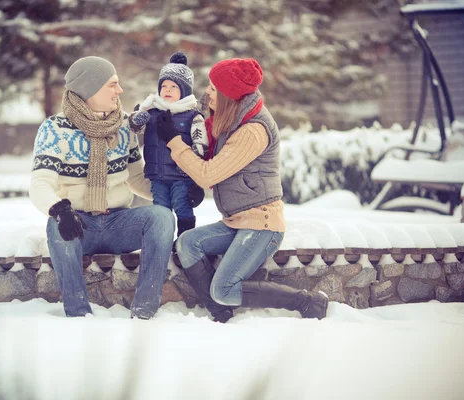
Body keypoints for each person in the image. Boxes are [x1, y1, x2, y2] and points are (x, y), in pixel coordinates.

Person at [155, 58, 329, 323]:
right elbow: (208, 151)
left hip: (262, 224)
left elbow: (209, 173)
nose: (207, 93)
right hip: (236, 221)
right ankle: (220, 311)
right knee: (187, 243)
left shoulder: (252, 130)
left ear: (228, 95)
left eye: (213, 89)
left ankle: (307, 302)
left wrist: (174, 142)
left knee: (224, 288)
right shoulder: (231, 119)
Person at [29, 56, 174, 320]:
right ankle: (78, 313)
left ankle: (144, 309)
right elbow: (40, 184)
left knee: (162, 216)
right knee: (55, 226)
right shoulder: (54, 129)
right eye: (112, 84)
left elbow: (137, 178)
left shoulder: (124, 127)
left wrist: (174, 194)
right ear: (89, 88)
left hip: (119, 223)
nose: (119, 91)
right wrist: (60, 210)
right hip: (77, 224)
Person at [129, 52, 207, 242]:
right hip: (157, 175)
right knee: (161, 210)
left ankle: (184, 239)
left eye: (174, 86)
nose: (167, 90)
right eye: (164, 86)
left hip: (182, 176)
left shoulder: (192, 116)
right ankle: (161, 241)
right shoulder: (151, 111)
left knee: (182, 206)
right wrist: (137, 119)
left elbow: (201, 144)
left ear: (185, 90)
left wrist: (192, 165)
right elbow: (135, 128)